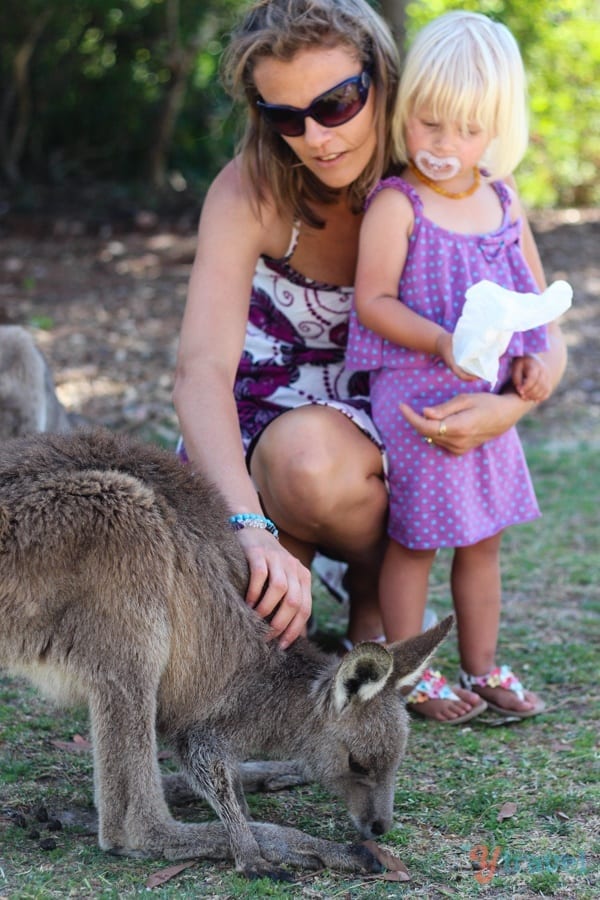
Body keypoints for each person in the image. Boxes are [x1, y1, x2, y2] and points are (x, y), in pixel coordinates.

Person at [172, 1, 566, 675]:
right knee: (233, 649)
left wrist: (512, 407)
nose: (318, 137)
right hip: (273, 438)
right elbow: (200, 369)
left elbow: (542, 327)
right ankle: (307, 565)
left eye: (337, 103)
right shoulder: (250, 191)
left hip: (396, 428)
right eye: (286, 116)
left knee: (315, 475)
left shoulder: (446, 182)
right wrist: (248, 527)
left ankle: (370, 595)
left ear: (383, 77)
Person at [349, 10, 560, 723]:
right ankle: (411, 674)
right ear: (406, 112)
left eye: (467, 130)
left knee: (483, 540)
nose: (444, 145)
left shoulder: (501, 202)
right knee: (417, 542)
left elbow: (533, 302)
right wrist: (442, 342)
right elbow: (373, 300)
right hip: (420, 401)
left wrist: (531, 358)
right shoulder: (398, 202)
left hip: (487, 401)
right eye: (429, 123)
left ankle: (482, 664)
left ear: (495, 130)